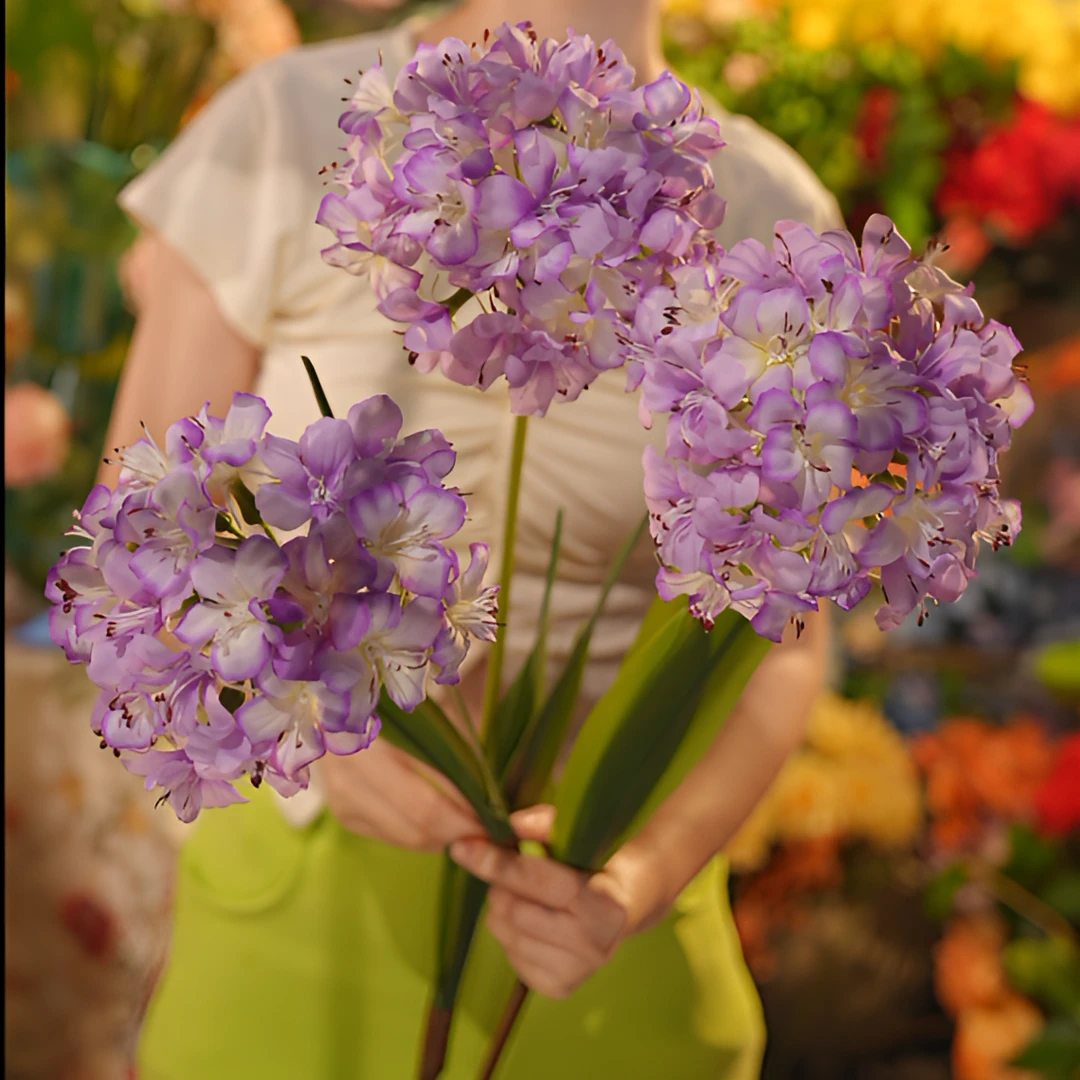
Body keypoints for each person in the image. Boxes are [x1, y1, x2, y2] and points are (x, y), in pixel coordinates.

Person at [101, 0, 841, 1075]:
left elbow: (785, 640)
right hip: (300, 925)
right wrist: (301, 731)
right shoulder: (286, 127)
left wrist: (636, 878)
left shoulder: (770, 209)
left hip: (602, 930)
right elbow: (141, 543)